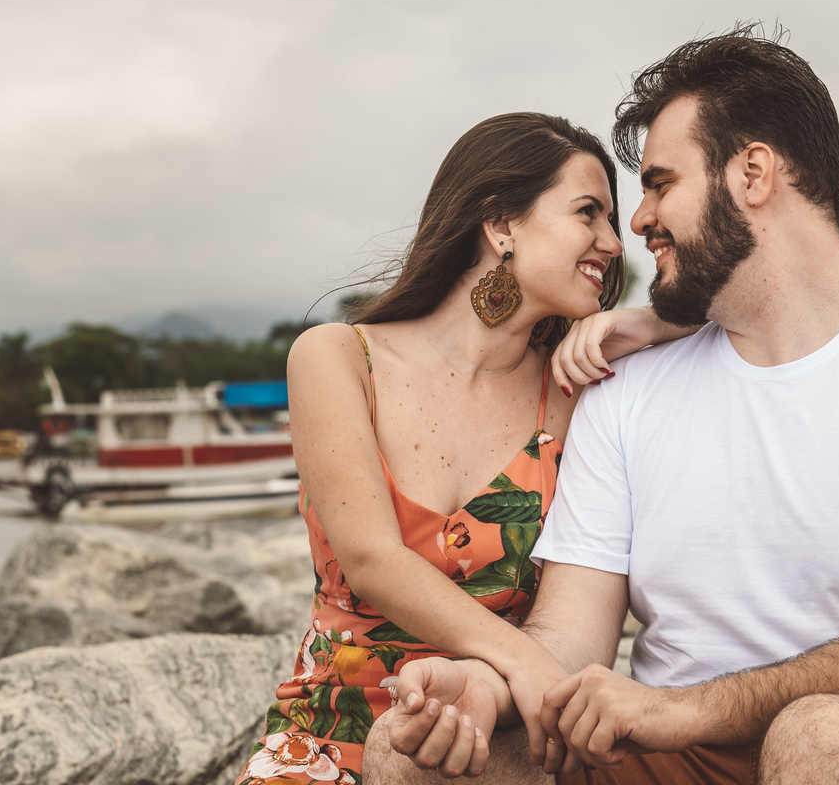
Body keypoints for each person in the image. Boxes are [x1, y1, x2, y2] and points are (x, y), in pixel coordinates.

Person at [366, 26, 839, 785]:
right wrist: (487, 687)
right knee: (413, 750)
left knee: (822, 739)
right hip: (669, 749)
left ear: (753, 171)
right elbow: (570, 633)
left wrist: (689, 709)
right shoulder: (626, 391)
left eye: (660, 183)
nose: (639, 220)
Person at [233, 112, 687, 785]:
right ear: (501, 224)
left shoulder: (571, 392)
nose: (611, 244)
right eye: (588, 213)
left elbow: (741, 323)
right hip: (329, 730)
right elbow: (372, 561)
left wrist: (649, 321)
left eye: (610, 221)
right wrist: (531, 664)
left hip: (491, 738)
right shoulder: (339, 357)